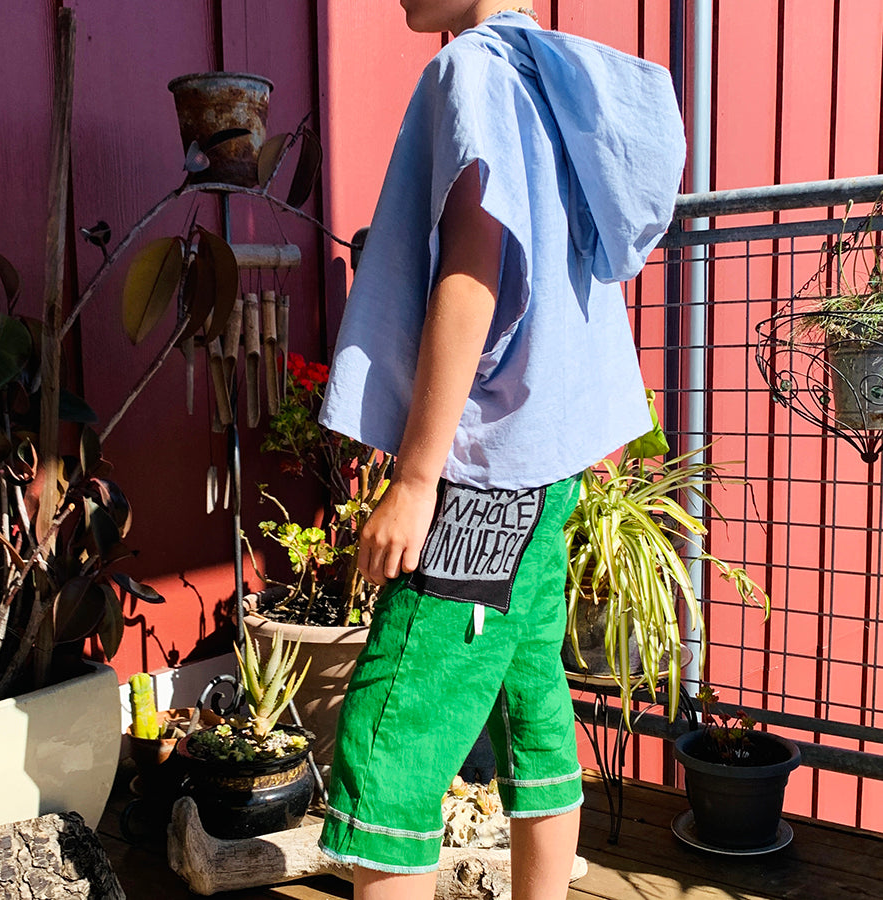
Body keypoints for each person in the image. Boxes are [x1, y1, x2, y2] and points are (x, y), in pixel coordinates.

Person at [316, 3, 685, 898]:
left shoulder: (471, 72)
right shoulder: (553, 86)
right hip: (548, 470)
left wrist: (414, 479)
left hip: (481, 482)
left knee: (391, 738)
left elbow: (474, 271)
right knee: (534, 712)